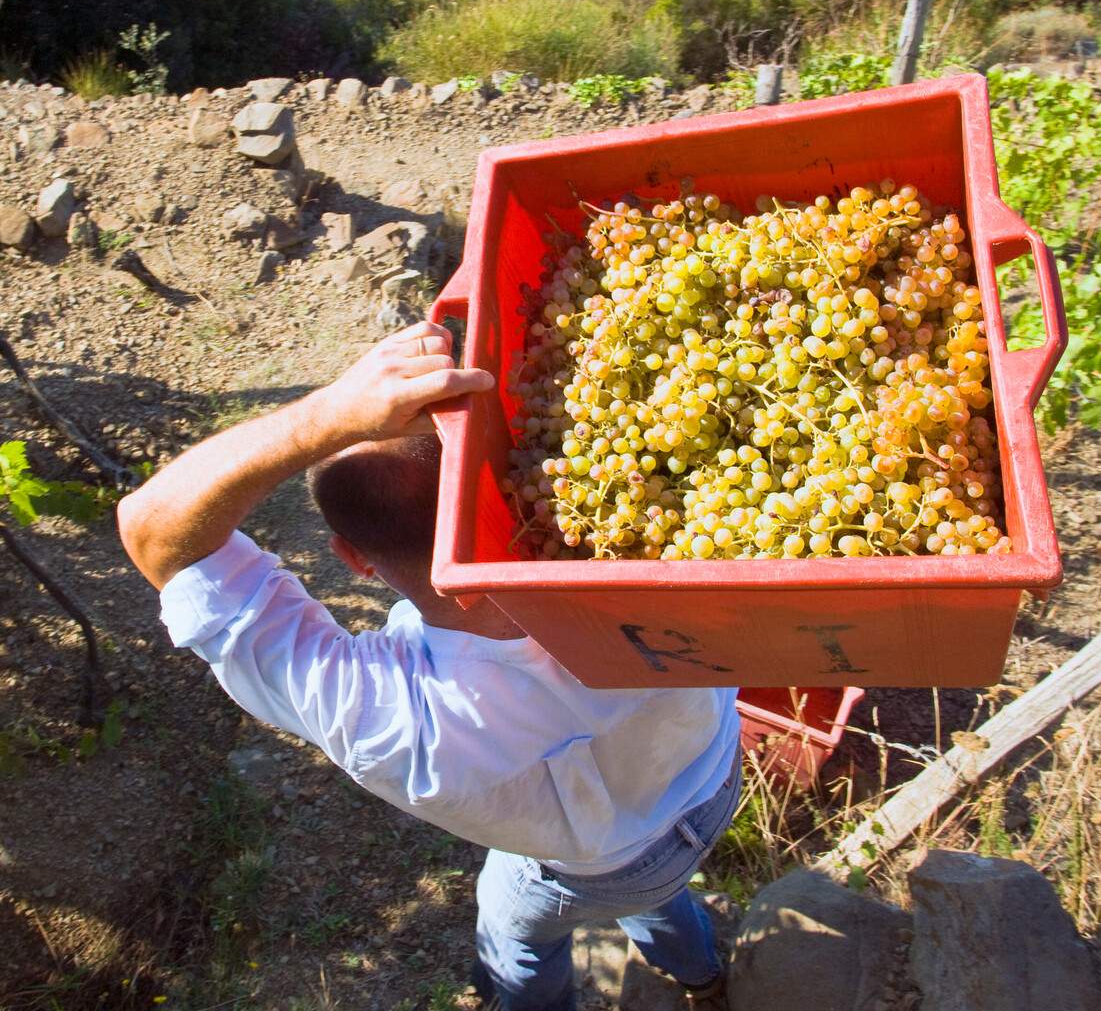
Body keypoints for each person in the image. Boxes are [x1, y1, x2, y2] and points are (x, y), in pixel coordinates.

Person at [117, 320, 741, 1010]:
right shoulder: (651, 526)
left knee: (517, 936)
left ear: (352, 557)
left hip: (601, 865)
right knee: (660, 889)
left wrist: (325, 416)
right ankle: (705, 977)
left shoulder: (391, 717)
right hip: (712, 779)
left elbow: (155, 531)